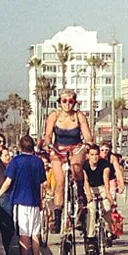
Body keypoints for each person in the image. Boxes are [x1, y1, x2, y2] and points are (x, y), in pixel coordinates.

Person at [0, 135, 46, 255]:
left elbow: (8, 181)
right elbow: (42, 184)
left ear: (21, 147)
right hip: (34, 202)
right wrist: (41, 201)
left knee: (23, 234)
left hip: (21, 201)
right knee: (35, 234)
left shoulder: (17, 161)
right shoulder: (38, 162)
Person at [43, 89, 93, 233]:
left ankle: (80, 194)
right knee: (60, 182)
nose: (67, 104)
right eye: (64, 101)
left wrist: (88, 142)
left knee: (76, 167)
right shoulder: (54, 115)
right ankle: (58, 216)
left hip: (75, 149)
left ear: (74, 103)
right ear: (60, 102)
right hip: (58, 150)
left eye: (71, 101)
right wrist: (48, 144)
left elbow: (87, 135)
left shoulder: (79, 116)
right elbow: (48, 135)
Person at [83, 144, 113, 250]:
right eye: (92, 155)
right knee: (91, 209)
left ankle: (109, 231)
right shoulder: (85, 165)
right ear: (88, 155)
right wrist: (88, 195)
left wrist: (108, 194)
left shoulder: (104, 164)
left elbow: (106, 177)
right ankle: (90, 237)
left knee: (107, 207)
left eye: (96, 154)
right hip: (90, 188)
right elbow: (85, 180)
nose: (94, 157)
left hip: (102, 187)